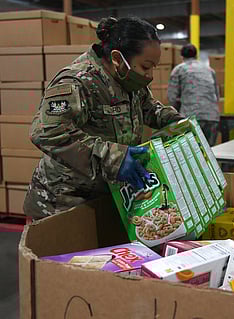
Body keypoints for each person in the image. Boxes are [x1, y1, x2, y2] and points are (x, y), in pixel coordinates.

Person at [23, 17, 184, 219]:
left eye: (153, 67)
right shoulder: (79, 81)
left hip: (106, 193)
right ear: (117, 58)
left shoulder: (127, 77)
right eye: (145, 66)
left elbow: (147, 106)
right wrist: (112, 157)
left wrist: (173, 120)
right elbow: (47, 131)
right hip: (63, 201)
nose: (149, 75)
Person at [168, 44, 220, 146]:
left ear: (182, 56)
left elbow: (172, 97)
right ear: (196, 55)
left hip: (191, 118)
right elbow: (216, 96)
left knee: (193, 155)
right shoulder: (209, 70)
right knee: (210, 153)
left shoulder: (179, 69)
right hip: (212, 117)